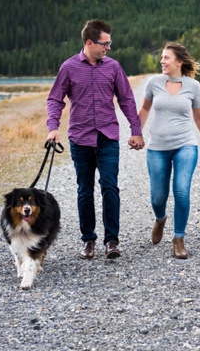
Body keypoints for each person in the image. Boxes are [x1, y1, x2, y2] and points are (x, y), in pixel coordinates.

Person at [47, 19, 144, 260]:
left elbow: (127, 99)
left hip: (108, 136)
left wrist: (135, 129)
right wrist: (53, 127)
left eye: (110, 43)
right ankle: (88, 240)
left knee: (110, 186)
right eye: (105, 43)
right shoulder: (68, 68)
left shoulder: (113, 67)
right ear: (90, 43)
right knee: (84, 190)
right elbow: (55, 99)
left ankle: (112, 241)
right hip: (80, 138)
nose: (108, 47)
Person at [138, 43, 200, 259]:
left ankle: (178, 238)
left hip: (185, 145)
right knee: (158, 196)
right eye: (162, 57)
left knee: (181, 191)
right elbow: (144, 109)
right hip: (157, 148)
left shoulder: (193, 86)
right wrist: (136, 133)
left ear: (179, 61)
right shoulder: (154, 83)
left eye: (166, 57)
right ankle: (160, 219)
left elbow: (199, 117)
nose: (162, 61)